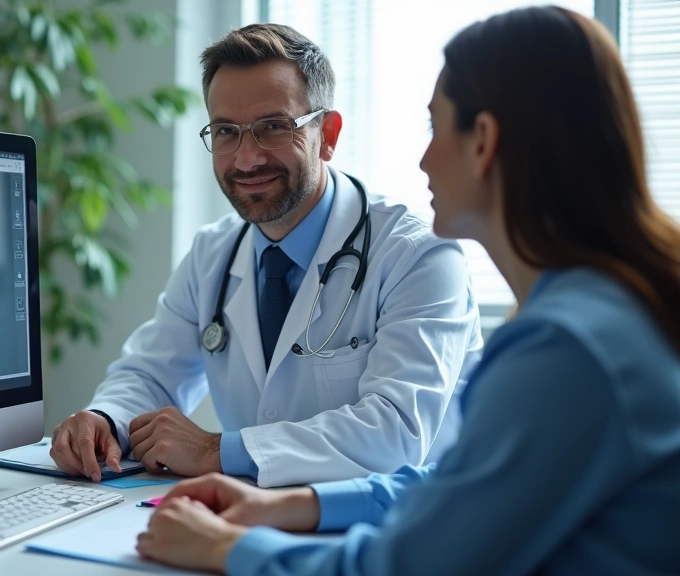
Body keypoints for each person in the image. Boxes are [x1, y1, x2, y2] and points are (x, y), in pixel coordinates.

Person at [134, 6, 680, 575]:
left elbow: (413, 564)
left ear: (483, 141)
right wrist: (297, 505)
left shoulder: (566, 348)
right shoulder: (602, 313)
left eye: (434, 128)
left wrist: (226, 548)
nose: (422, 160)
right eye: (227, 131)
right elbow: (463, 486)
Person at [51, 23, 484, 487]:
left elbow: (395, 431)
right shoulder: (212, 254)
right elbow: (151, 374)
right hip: (257, 516)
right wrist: (105, 419)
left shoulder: (417, 255)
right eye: (225, 131)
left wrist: (217, 450)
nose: (246, 158)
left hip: (396, 534)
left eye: (274, 127)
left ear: (329, 134)